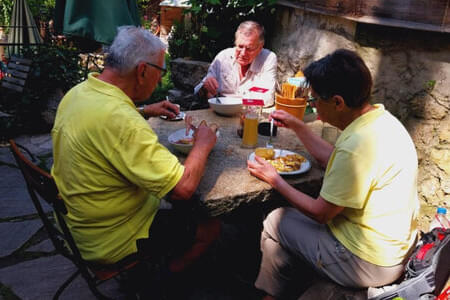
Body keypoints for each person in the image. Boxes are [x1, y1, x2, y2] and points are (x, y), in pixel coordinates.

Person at [247, 49, 419, 299]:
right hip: (394, 248)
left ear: (338, 102)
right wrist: (298, 126)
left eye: (315, 100)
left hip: (367, 261)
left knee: (276, 220)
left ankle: (270, 295)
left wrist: (274, 179)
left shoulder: (356, 145)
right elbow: (335, 160)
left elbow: (320, 213)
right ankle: (293, 282)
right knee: (291, 220)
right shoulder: (382, 121)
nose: (313, 107)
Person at [51, 26, 221, 275]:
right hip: (114, 240)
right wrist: (203, 144)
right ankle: (162, 277)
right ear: (142, 71)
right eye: (160, 72)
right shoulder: (121, 121)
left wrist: (142, 110)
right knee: (211, 226)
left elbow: (104, 123)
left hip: (79, 226)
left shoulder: (79, 93)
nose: (160, 80)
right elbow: (182, 189)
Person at [195, 20, 277, 107]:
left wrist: (233, 103)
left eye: (249, 49)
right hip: (221, 112)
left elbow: (267, 99)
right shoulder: (223, 57)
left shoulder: (268, 59)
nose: (243, 53)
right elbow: (199, 92)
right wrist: (205, 88)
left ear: (260, 48)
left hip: (250, 114)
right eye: (240, 47)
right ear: (235, 43)